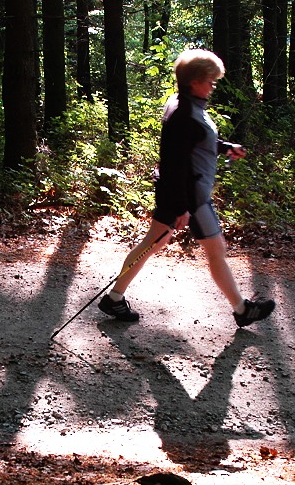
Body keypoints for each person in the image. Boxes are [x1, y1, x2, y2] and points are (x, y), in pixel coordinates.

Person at [98, 49, 275, 328]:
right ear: (195, 81)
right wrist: (181, 208)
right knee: (215, 251)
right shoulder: (185, 115)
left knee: (153, 244)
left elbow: (195, 144)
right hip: (191, 197)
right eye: (210, 80)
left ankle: (114, 298)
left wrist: (226, 147)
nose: (213, 86)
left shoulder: (182, 104)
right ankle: (241, 309)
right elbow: (174, 164)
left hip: (182, 193)